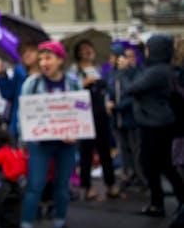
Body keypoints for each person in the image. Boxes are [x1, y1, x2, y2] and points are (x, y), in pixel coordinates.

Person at [15, 42, 81, 228]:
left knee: (62, 187)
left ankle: (60, 225)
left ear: (60, 60)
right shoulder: (31, 84)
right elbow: (23, 114)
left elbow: (81, 110)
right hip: (40, 144)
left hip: (66, 144)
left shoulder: (73, 82)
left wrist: (77, 133)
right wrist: (25, 139)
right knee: (35, 185)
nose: (44, 63)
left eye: (48, 58)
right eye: (41, 59)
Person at [124, 34, 184, 218]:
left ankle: (162, 203)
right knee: (159, 165)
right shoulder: (164, 69)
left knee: (159, 165)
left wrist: (125, 71)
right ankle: (158, 202)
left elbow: (131, 88)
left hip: (155, 124)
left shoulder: (156, 71)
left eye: (149, 48)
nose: (146, 51)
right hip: (160, 122)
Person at [70, 40, 118, 200]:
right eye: (84, 49)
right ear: (78, 53)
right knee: (86, 152)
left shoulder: (98, 69)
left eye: (90, 48)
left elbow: (105, 92)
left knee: (105, 149)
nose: (88, 51)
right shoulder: (75, 71)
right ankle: (87, 186)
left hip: (101, 114)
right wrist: (83, 84)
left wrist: (108, 104)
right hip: (85, 115)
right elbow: (71, 93)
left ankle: (110, 184)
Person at [107, 44, 144, 189]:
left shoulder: (133, 72)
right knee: (122, 149)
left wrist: (117, 106)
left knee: (136, 149)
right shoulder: (110, 73)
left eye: (112, 57)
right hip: (117, 119)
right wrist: (109, 104)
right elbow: (110, 92)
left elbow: (132, 94)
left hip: (131, 117)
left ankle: (140, 176)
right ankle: (126, 174)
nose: (110, 60)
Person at [0, 42, 40, 141]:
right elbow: (8, 94)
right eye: (24, 52)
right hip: (19, 123)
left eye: (31, 51)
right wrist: (3, 76)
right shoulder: (18, 73)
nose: (27, 54)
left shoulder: (46, 74)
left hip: (40, 123)